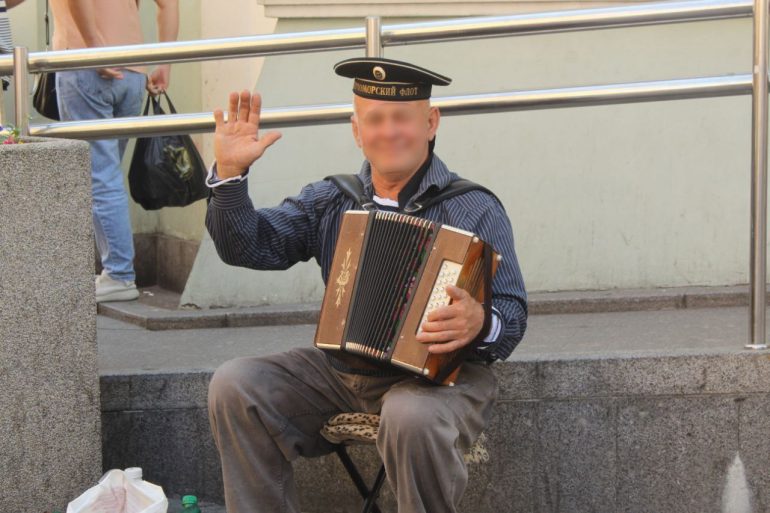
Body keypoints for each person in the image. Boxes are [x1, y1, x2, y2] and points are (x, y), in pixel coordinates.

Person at [205, 57, 528, 513]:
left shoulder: (473, 207)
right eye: (375, 120)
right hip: (340, 374)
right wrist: (230, 177)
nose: (389, 132)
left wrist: (480, 322)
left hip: (441, 383)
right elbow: (249, 247)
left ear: (430, 123)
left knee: (409, 414)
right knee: (236, 383)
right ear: (357, 131)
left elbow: (512, 317)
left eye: (403, 118)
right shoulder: (332, 199)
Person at [50, 0, 179, 302]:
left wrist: (95, 47)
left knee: (101, 178)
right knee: (106, 176)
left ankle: (119, 274)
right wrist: (165, 62)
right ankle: (114, 272)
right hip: (133, 69)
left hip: (86, 62)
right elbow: (168, 4)